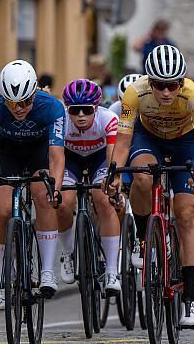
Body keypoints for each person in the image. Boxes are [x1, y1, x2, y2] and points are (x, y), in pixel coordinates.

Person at [107, 45, 194, 327]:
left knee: (187, 212)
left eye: (172, 85)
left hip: (184, 142)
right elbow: (123, 142)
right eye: (159, 85)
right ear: (149, 82)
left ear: (181, 82)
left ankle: (189, 298)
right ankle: (143, 239)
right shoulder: (134, 93)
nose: (166, 92)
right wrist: (115, 173)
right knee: (141, 175)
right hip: (148, 138)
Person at [0, 60, 64, 309]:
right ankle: (6, 275)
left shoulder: (51, 106)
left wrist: (56, 188)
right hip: (6, 154)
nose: (19, 109)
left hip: (39, 152)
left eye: (25, 102)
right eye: (12, 103)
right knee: (1, 212)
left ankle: (46, 271)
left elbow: (56, 156)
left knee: (43, 195)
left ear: (34, 93)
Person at [57, 79, 122, 293]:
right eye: (76, 110)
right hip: (71, 161)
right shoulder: (60, 121)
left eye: (87, 110)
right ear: (68, 109)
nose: (81, 115)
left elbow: (112, 156)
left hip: (99, 160)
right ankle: (67, 253)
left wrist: (112, 180)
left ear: (96, 108)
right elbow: (55, 156)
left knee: (103, 200)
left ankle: (112, 270)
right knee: (64, 203)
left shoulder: (108, 119)